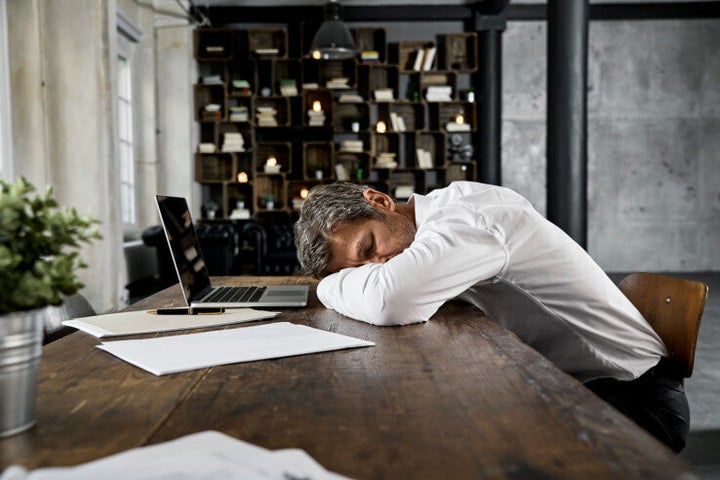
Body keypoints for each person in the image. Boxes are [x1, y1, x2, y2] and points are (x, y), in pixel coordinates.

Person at [294, 180, 689, 452]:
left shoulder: (467, 218)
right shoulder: (434, 222)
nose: (378, 264)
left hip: (632, 398)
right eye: (358, 268)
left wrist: (330, 287)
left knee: (446, 443)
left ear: (379, 201)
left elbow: (392, 300)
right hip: (573, 382)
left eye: (369, 247)